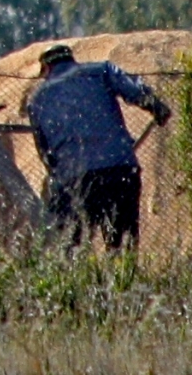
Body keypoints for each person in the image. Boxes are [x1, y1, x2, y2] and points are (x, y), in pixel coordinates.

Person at [25, 44, 171, 252]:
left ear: (46, 68)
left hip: (76, 180)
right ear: (72, 60)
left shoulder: (38, 100)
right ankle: (123, 279)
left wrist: (60, 177)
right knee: (122, 244)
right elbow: (135, 90)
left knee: (72, 247)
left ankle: (78, 280)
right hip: (120, 170)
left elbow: (46, 153)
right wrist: (156, 106)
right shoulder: (101, 71)